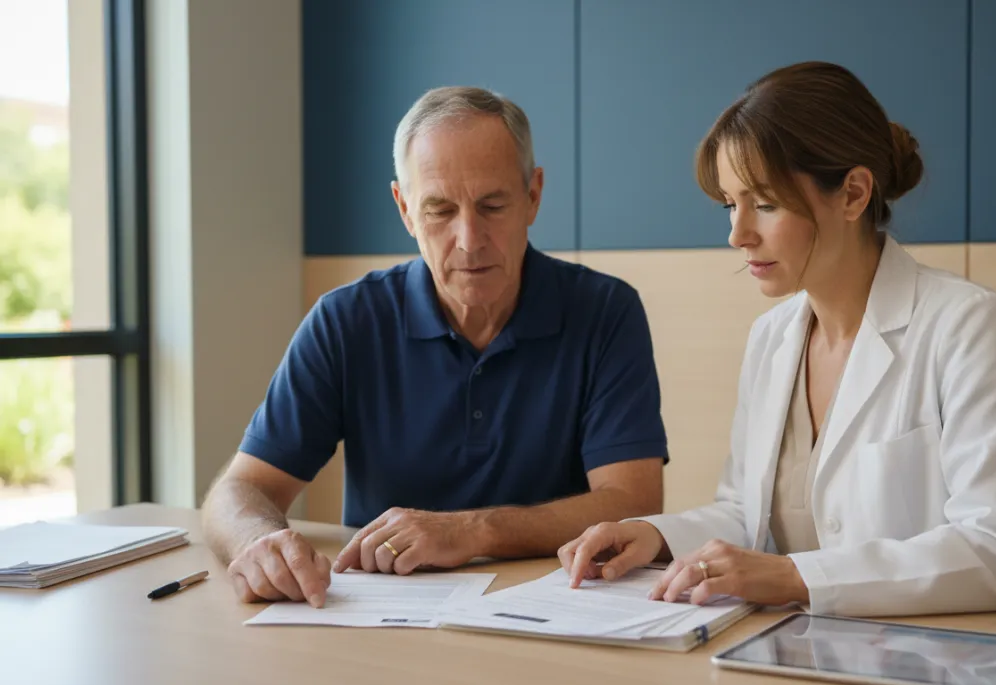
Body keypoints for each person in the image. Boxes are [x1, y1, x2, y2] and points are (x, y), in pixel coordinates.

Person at [559, 62, 996, 618]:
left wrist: (796, 575)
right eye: (731, 204)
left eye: (765, 203)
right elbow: (748, 517)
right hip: (801, 649)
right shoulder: (772, 338)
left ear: (853, 194)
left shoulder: (966, 325)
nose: (737, 233)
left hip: (939, 657)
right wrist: (654, 536)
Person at [202, 86, 668, 608]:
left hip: (556, 609)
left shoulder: (606, 311)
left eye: (492, 205)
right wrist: (258, 542)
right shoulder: (346, 320)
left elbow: (635, 503)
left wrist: (473, 531)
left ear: (533, 195)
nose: (469, 239)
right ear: (404, 208)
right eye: (439, 210)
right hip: (379, 617)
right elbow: (240, 490)